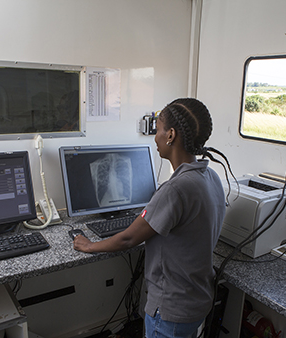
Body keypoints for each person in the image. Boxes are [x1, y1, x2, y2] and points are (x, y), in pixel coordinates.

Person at [73, 98, 230, 338]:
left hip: (171, 309)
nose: (155, 138)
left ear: (171, 135)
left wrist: (89, 245)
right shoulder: (211, 177)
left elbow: (128, 239)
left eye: (157, 130)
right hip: (197, 300)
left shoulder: (175, 190)